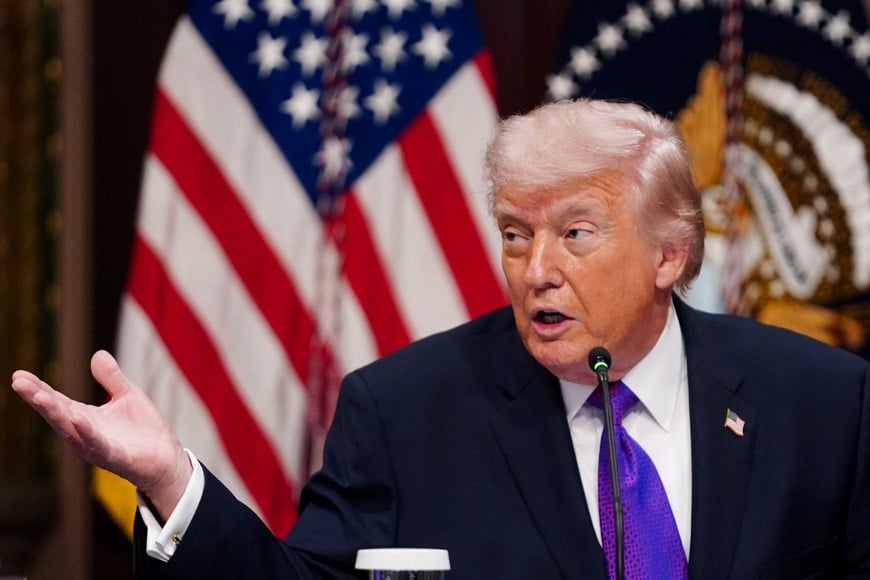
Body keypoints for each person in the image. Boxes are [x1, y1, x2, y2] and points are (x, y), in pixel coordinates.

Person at [11, 99, 870, 579]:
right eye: (512, 233)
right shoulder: (408, 411)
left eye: (575, 234)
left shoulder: (822, 401)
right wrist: (171, 482)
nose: (536, 268)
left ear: (669, 254)